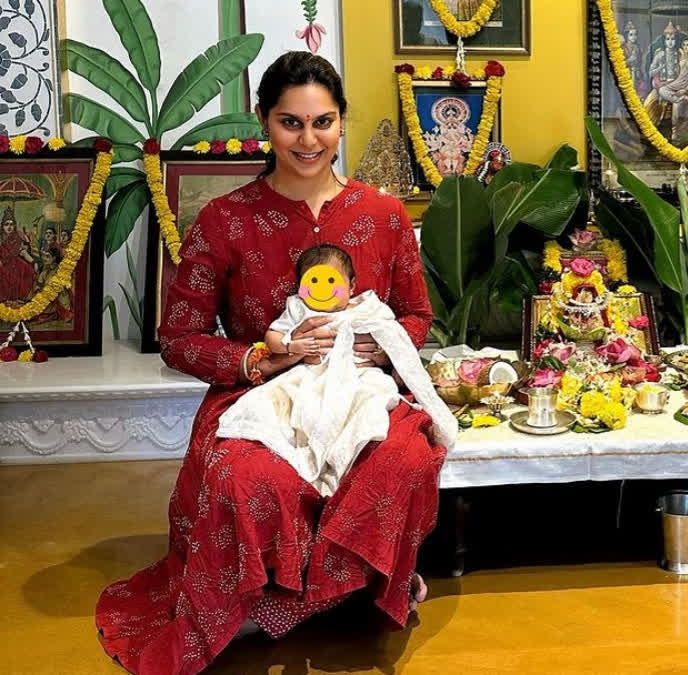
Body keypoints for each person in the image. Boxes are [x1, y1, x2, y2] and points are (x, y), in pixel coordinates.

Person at [95, 52, 444, 674]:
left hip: (358, 391)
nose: (309, 140)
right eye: (291, 123)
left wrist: (376, 346)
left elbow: (417, 315)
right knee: (248, 478)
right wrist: (260, 356)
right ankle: (268, 600)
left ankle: (358, 585)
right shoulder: (224, 218)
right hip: (257, 399)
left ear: (342, 122)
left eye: (324, 122)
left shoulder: (385, 216)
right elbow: (178, 336)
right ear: (264, 122)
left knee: (403, 454)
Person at [216, 243, 456, 498]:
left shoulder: (368, 308)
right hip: (311, 374)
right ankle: (311, 457)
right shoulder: (299, 308)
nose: (322, 290)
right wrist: (291, 345)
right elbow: (273, 336)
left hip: (361, 375)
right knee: (283, 406)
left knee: (370, 406)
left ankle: (347, 455)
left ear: (352, 287)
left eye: (332, 281)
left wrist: (381, 350)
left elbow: (395, 337)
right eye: (313, 282)